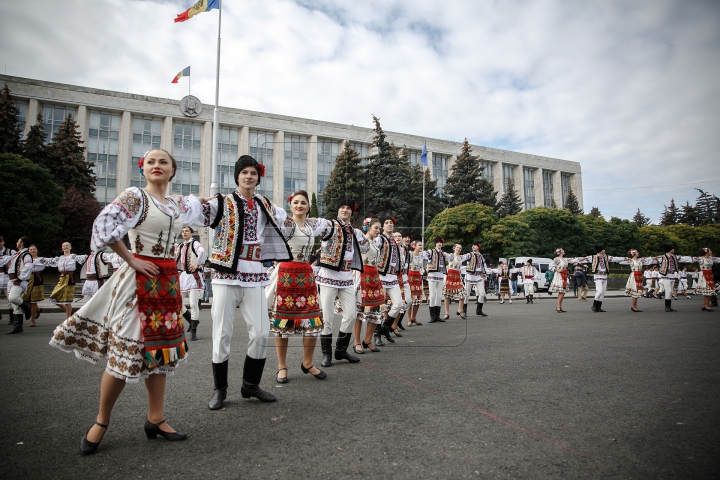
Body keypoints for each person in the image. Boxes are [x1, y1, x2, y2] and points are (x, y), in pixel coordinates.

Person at [49, 148, 193, 454]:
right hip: (139, 280)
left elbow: (209, 210)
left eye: (163, 162)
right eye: (150, 162)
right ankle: (101, 421)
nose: (156, 165)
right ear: (143, 169)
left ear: (172, 170)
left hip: (167, 284)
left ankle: (155, 417)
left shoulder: (176, 204)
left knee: (161, 351)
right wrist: (130, 258)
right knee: (125, 349)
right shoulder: (135, 197)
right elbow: (103, 226)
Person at [181, 155, 293, 410]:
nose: (249, 176)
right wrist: (194, 202)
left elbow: (283, 218)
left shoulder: (264, 203)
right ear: (237, 176)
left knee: (262, 332)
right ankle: (220, 389)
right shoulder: (222, 202)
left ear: (258, 177)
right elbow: (195, 214)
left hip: (255, 274)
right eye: (245, 173)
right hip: (225, 275)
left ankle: (250, 385)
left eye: (253, 173)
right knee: (222, 333)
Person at [266, 191, 327, 382]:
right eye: (295, 202)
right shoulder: (285, 224)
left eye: (303, 203)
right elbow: (270, 212)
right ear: (290, 206)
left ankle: (307, 363)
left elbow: (328, 224)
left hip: (306, 276)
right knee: (282, 323)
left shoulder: (311, 226)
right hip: (286, 276)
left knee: (312, 321)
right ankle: (282, 366)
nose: (299, 205)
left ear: (309, 206)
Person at [313, 197, 365, 367]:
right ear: (337, 210)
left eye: (348, 208)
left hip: (346, 277)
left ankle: (341, 350)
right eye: (342, 207)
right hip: (328, 276)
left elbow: (366, 245)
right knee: (327, 317)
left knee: (350, 314)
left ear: (352, 211)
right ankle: (326, 353)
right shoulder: (329, 225)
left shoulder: (355, 232)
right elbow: (315, 225)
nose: (345, 210)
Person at [353, 218, 384, 352]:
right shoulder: (362, 241)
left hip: (374, 277)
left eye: (379, 228)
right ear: (368, 227)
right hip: (363, 274)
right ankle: (357, 341)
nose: (378, 230)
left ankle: (368, 340)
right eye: (376, 228)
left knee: (376, 309)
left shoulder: (376, 243)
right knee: (360, 310)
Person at [375, 217, 406, 344]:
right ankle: (377, 335)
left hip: (393, 277)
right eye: (386, 223)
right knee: (379, 307)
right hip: (381, 275)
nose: (389, 224)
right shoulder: (380, 239)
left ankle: (385, 328)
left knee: (398, 304)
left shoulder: (394, 241)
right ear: (383, 226)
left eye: (391, 223)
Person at [176, 226, 207, 341]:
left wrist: (198, 264)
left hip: (193, 277)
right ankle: (191, 319)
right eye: (183, 231)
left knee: (193, 304)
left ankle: (193, 331)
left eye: (186, 231)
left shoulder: (194, 243)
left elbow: (202, 252)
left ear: (192, 233)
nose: (184, 233)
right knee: (176, 301)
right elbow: (178, 260)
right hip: (183, 276)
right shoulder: (180, 246)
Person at [43, 242, 88, 318]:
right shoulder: (60, 258)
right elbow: (50, 260)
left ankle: (68, 318)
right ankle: (70, 313)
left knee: (67, 300)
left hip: (70, 278)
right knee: (53, 297)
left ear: (70, 247)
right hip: (62, 278)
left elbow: (83, 257)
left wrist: (87, 256)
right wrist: (43, 259)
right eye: (63, 246)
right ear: (62, 248)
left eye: (67, 245)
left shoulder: (73, 256)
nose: (65, 247)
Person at [576, 245, 625, 313]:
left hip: (604, 276)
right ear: (600, 250)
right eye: (603, 249)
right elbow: (582, 260)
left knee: (603, 292)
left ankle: (598, 307)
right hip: (598, 275)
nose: (604, 250)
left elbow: (615, 258)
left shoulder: (606, 257)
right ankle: (594, 305)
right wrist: (582, 259)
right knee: (599, 291)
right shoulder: (593, 257)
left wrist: (625, 259)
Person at [651, 244, 693, 312]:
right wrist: (652, 258)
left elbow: (684, 258)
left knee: (670, 291)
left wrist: (693, 259)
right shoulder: (662, 257)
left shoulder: (674, 257)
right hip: (665, 276)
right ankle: (667, 307)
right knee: (669, 291)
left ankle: (669, 306)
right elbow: (652, 259)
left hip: (672, 276)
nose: (673, 249)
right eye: (672, 248)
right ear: (670, 249)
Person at [5, 236, 33, 333]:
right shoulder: (17, 254)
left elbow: (29, 267)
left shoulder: (26, 255)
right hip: (12, 280)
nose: (16, 242)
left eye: (18, 241)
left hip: (19, 280)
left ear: (22, 243)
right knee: (14, 304)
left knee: (13, 298)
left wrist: (20, 277)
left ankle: (27, 308)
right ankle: (18, 326)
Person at [424, 238, 451, 323]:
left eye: (441, 243)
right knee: (432, 295)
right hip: (432, 275)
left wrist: (446, 255)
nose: (439, 244)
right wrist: (426, 266)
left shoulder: (443, 253)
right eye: (438, 242)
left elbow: (450, 258)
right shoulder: (431, 251)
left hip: (440, 275)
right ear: (435, 244)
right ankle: (432, 316)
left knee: (439, 296)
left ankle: (437, 316)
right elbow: (424, 255)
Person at [392, 230, 412, 332]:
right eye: (396, 236)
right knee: (393, 304)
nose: (398, 237)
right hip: (394, 278)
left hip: (404, 277)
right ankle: (392, 325)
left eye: (400, 236)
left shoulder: (406, 250)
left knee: (408, 301)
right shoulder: (392, 248)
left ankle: (397, 321)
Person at [548, 248, 578, 313]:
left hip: (564, 275)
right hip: (559, 275)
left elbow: (575, 259)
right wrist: (556, 270)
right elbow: (550, 266)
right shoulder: (557, 259)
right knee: (561, 291)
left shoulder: (565, 259)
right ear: (560, 252)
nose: (564, 251)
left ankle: (560, 306)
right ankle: (558, 306)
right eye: (562, 250)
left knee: (563, 292)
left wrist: (586, 258)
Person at [464, 243, 489, 317]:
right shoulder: (470, 254)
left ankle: (479, 311)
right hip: (470, 276)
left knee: (482, 293)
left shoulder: (481, 256)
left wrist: (485, 274)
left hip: (478, 276)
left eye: (475, 245)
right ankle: (464, 310)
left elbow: (484, 266)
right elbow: (463, 257)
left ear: (478, 247)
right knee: (466, 294)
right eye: (472, 245)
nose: (473, 246)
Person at [442, 244, 467, 318]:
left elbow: (469, 256)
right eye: (457, 248)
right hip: (450, 276)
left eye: (460, 248)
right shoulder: (451, 256)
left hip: (457, 277)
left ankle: (460, 310)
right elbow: (444, 254)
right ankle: (447, 313)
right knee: (447, 295)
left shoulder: (461, 257)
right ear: (454, 248)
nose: (458, 249)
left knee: (462, 293)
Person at [26, 245, 46, 327]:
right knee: (24, 298)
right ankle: (37, 309)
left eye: (34, 249)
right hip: (27, 278)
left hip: (36, 278)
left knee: (34, 300)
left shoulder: (41, 259)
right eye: (30, 249)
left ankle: (32, 320)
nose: (32, 250)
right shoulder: (26, 260)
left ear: (37, 250)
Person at [406, 241, 425, 325]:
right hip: (410, 276)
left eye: (421, 245)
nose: (421, 247)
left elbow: (422, 267)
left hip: (418, 277)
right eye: (419, 245)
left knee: (417, 298)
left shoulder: (421, 256)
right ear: (414, 246)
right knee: (410, 299)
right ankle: (409, 319)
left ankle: (414, 317)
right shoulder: (410, 254)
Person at [0, 236, 18, 324]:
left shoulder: (10, 252)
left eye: (0, 242)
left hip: (7, 277)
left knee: (10, 298)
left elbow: (16, 261)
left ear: (3, 242)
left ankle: (12, 317)